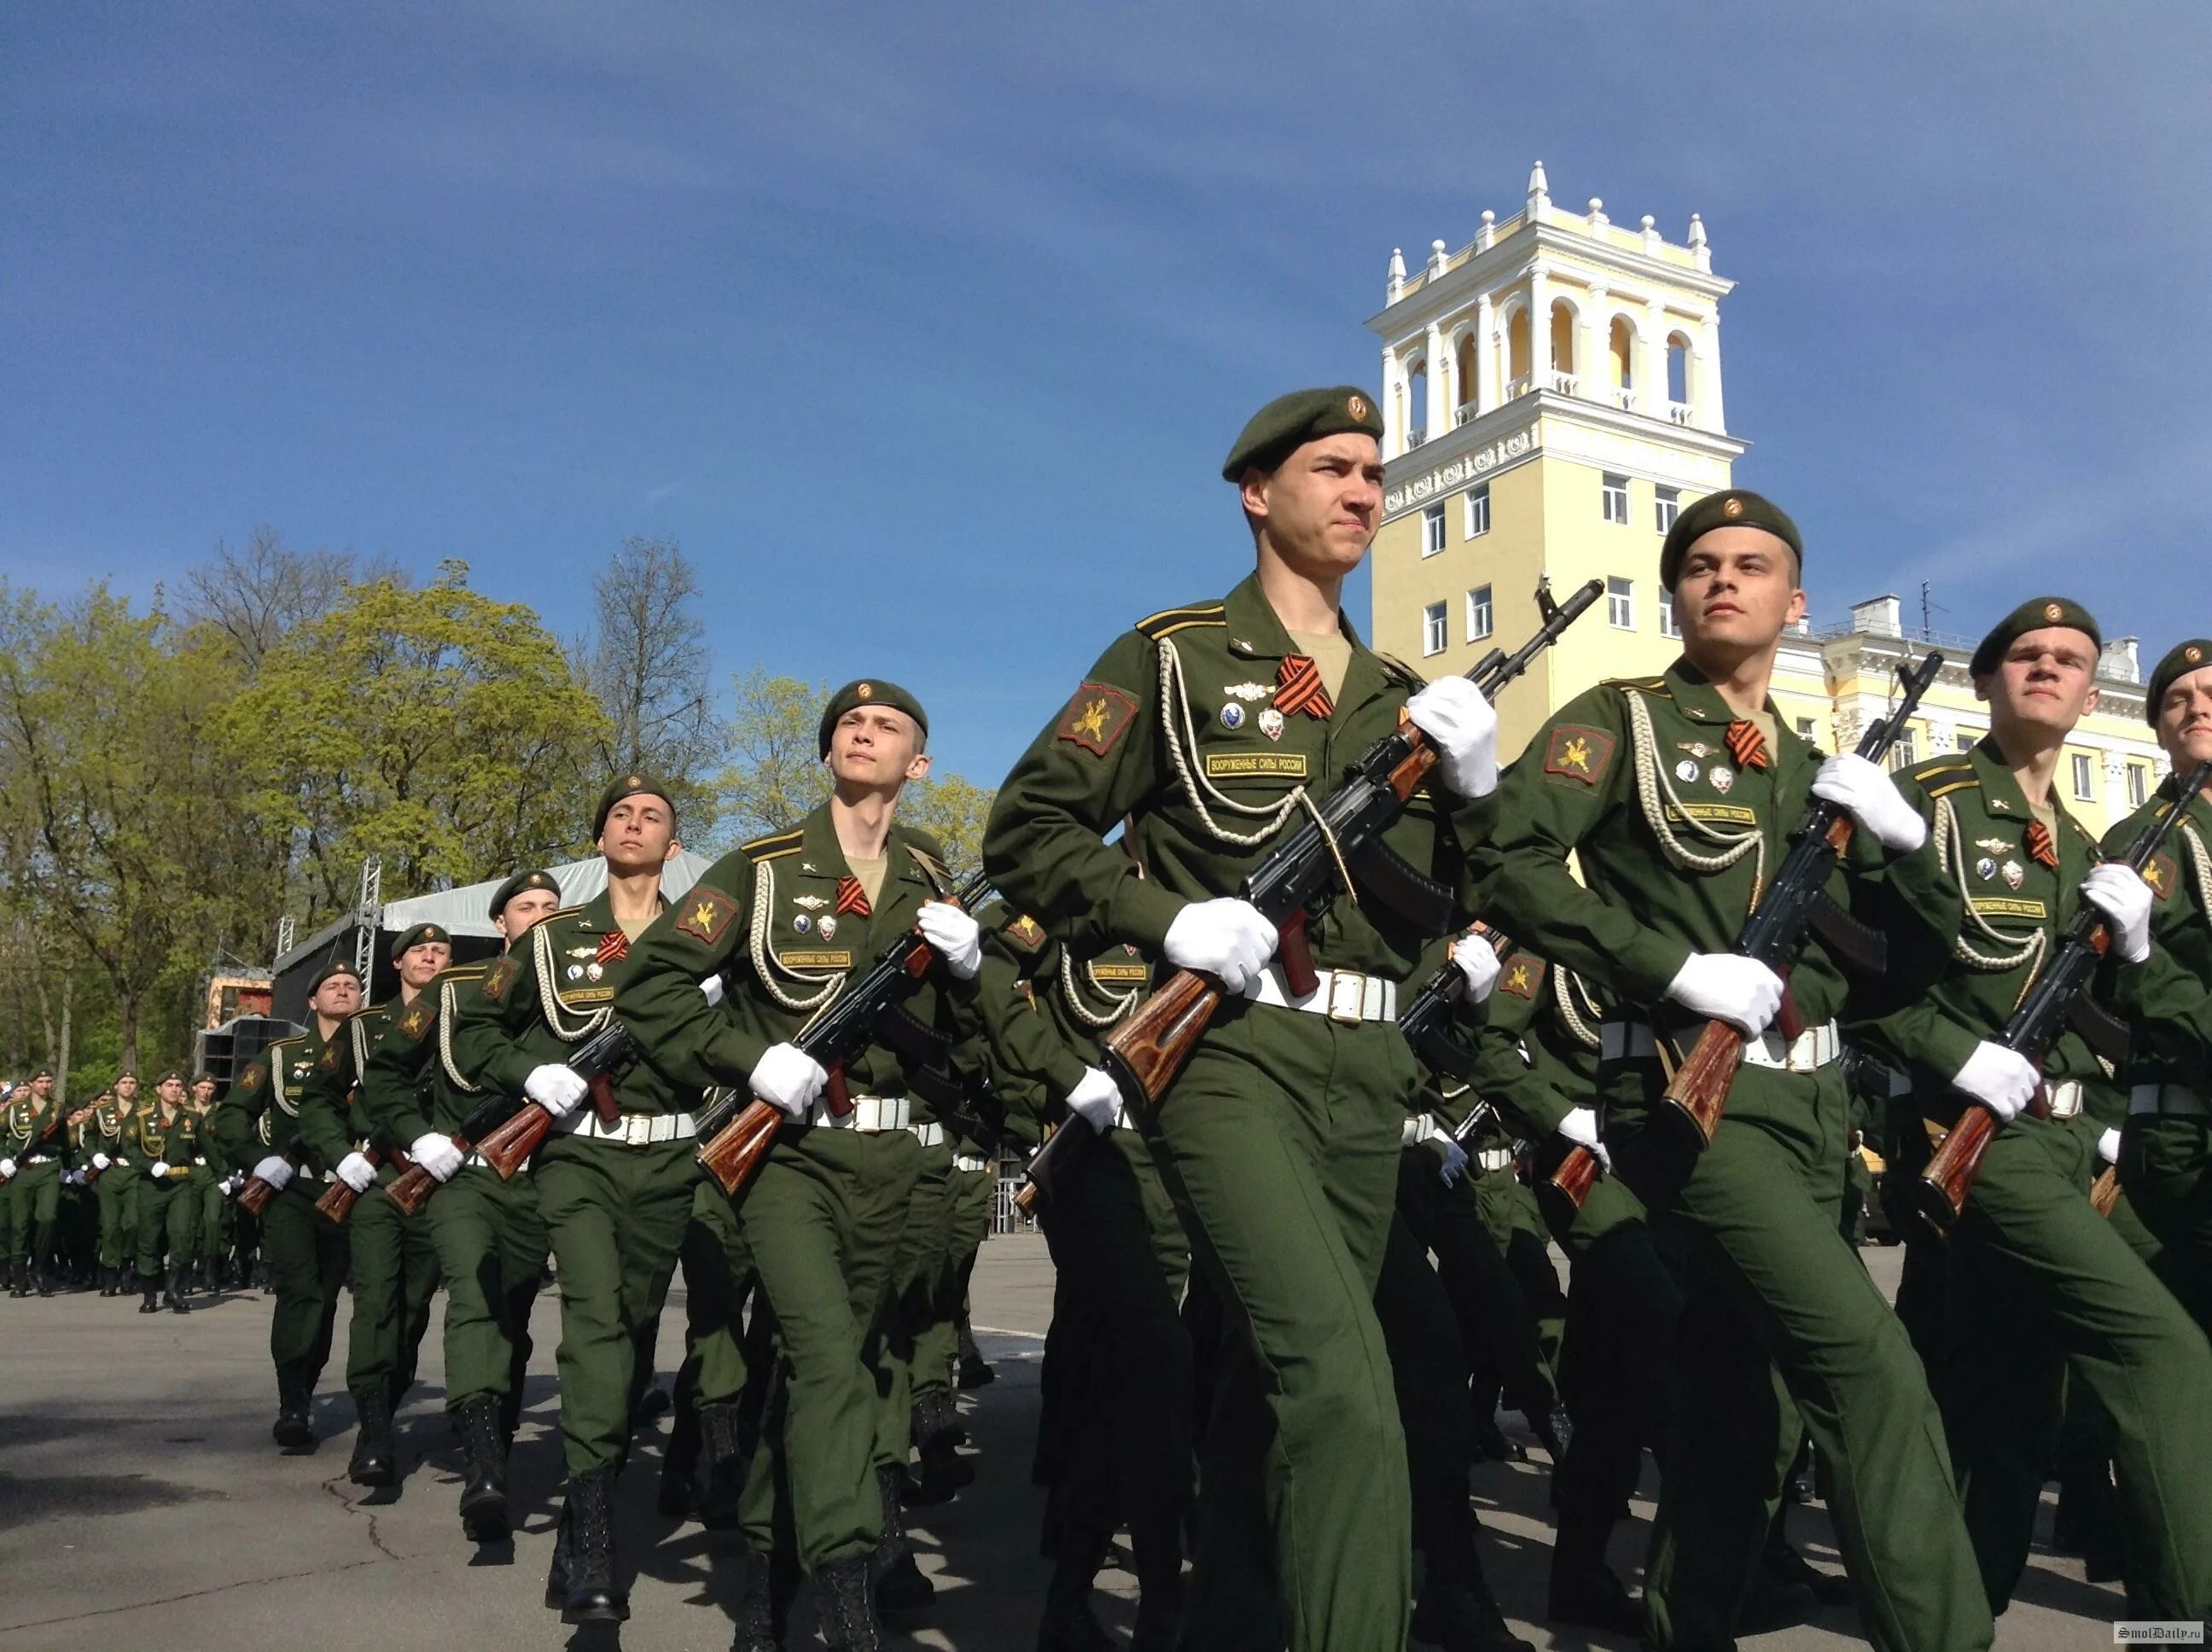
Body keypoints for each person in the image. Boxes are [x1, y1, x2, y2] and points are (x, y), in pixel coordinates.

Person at [983, 387, 1501, 1651]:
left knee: (1265, 1406)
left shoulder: (1404, 697)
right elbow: (1028, 829)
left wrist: (1483, 791)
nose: (1364, 492)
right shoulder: (1168, 656)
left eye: (1376, 474)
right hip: (1226, 1051)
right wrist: (1162, 918)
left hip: (1368, 1070)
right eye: (1333, 468)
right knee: (1342, 1384)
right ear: (1257, 494)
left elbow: (1472, 906)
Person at [1474, 488, 1994, 1651]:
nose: (1723, 578)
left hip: (1813, 1109)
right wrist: (1674, 969)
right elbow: (1506, 857)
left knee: (1741, 1406)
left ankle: (1685, 1625)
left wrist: (1907, 851)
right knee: (1871, 1370)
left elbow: (1909, 970)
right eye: (1701, 563)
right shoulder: (1621, 722)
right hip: (1690, 1103)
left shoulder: (1819, 771)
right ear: (1677, 593)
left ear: (1792, 600)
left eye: (1750, 565)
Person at [1866, 598, 2212, 1620]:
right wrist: (1951, 1056)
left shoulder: (2079, 841)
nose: (2050, 669)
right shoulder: (1923, 801)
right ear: (1987, 678)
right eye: (2028, 654)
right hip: (1980, 1141)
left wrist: (2099, 1107)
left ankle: (1954, 1621)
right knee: (2162, 1354)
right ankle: (2178, 1627)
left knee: (2005, 1413)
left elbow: (2099, 1013)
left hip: (2065, 1140)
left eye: (2071, 658)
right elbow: (1863, 969)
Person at [620, 683, 983, 1652]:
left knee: (834, 1373)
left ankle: (765, 1593)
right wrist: (750, 1059)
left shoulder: (930, 875)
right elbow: (649, 985)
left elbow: (957, 1038)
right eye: (848, 726)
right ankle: (847, 1588)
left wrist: (976, 970)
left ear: (920, 765)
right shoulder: (764, 868)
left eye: (888, 726)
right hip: (787, 1158)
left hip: (893, 1166)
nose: (862, 732)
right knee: (828, 1363)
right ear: (829, 752)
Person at [448, 775, 692, 1626]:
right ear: (598, 841)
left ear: (674, 844)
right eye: (619, 815)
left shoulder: (701, 936)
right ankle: (593, 1532)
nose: (634, 824)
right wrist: (531, 1071)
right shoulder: (551, 940)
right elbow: (474, 1027)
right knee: (592, 1318)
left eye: (651, 816)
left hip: (668, 1159)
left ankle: (581, 1517)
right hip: (578, 1158)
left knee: (627, 1335)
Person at [359, 870, 562, 1542]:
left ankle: (494, 1435)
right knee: (475, 1297)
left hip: (546, 1179)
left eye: (551, 908)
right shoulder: (450, 992)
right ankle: (483, 1469)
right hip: (466, 1176)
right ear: (500, 924)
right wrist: (417, 1137)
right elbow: (385, 1071)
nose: (539, 916)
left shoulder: (586, 990)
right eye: (525, 907)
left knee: (514, 1310)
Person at [300, 922, 453, 1489]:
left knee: (413, 1306)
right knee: (377, 1299)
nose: (430, 958)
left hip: (440, 1179)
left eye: (440, 952)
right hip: (379, 1177)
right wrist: (340, 1156)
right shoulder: (363, 1029)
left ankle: (388, 1400)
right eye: (419, 951)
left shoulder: (468, 1016)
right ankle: (373, 1428)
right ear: (399, 963)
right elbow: (317, 1101)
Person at [211, 960, 364, 1446]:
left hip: (353, 1190)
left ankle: (307, 1380)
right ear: (313, 1000)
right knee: (301, 1291)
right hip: (293, 1190)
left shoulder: (377, 1052)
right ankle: (293, 1400)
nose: (343, 991)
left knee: (326, 1299)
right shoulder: (281, 1057)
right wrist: (260, 1161)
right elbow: (232, 1115)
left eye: (352, 986)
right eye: (332, 986)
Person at [2110, 637, 2212, 1339]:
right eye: (2178, 700)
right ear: (2158, 728)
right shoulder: (2145, 840)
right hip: (2187, 1124)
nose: (2196, 708)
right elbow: (2137, 978)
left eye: (2210, 695)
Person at [124, 1069, 207, 1313]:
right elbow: (129, 1148)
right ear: (159, 1089)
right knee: (148, 1240)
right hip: (151, 1185)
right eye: (169, 1084)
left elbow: (206, 1146)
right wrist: (150, 1165)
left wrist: (222, 1174)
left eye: (178, 1085)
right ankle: (150, 1294)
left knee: (182, 1236)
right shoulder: (141, 1117)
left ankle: (174, 1291)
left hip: (181, 1184)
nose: (174, 1089)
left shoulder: (191, 1116)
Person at [3, 1072, 64, 1296]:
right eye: (40, 1082)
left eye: (49, 1082)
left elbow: (63, 1139)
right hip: (22, 1170)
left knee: (47, 1218)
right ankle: (20, 1276)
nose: (45, 1085)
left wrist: (68, 1166)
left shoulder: (56, 1109)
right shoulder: (15, 1109)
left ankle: (40, 1268)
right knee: (20, 1224)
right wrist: (4, 1160)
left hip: (48, 1168)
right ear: (31, 1084)